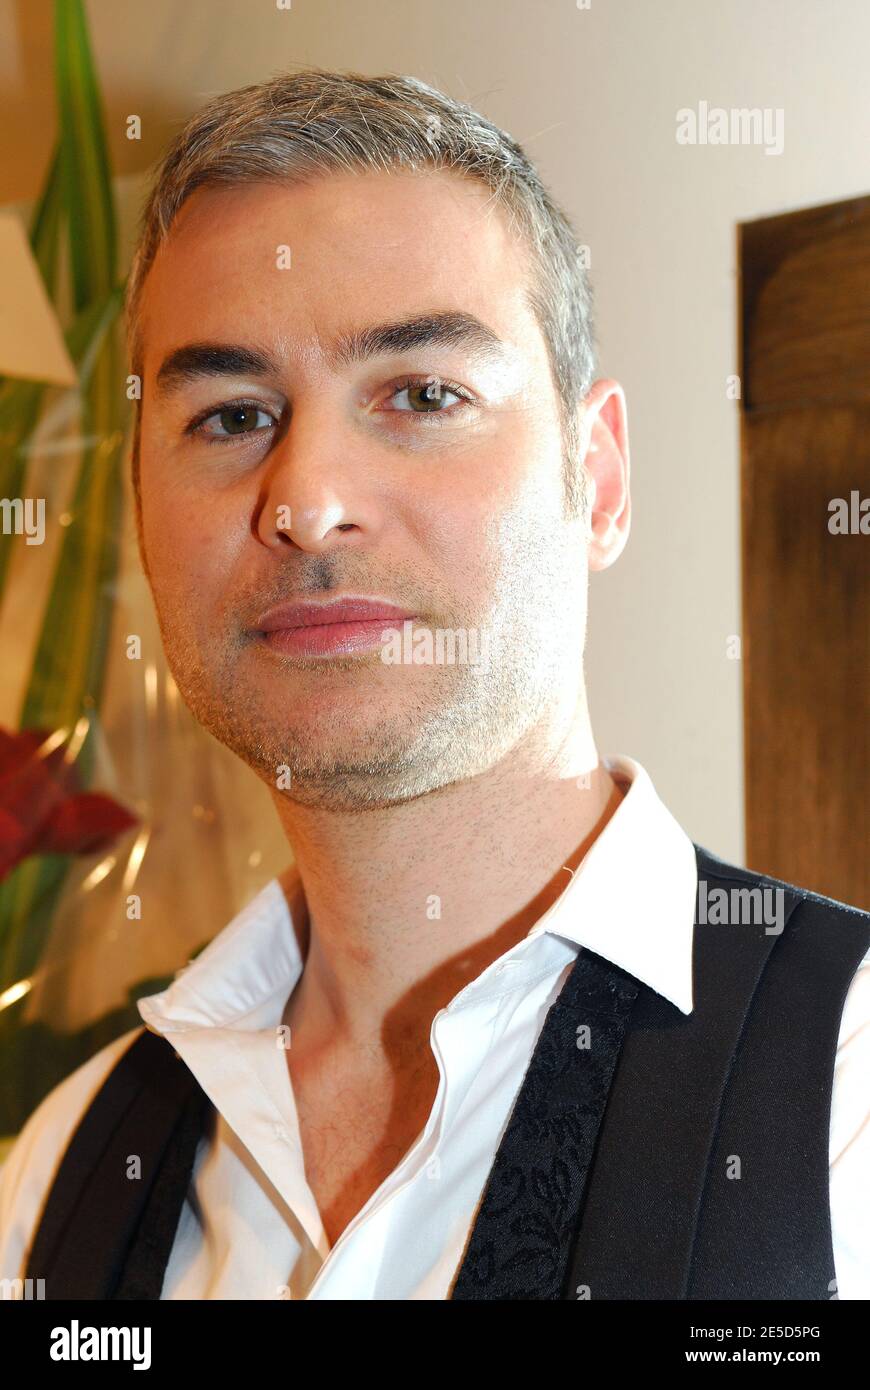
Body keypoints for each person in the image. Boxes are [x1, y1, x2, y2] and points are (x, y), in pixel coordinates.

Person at [1, 68, 867, 1302]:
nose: (307, 501)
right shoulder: (60, 1173)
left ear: (599, 481)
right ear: (140, 514)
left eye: (421, 394)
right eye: (233, 413)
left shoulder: (845, 1093)